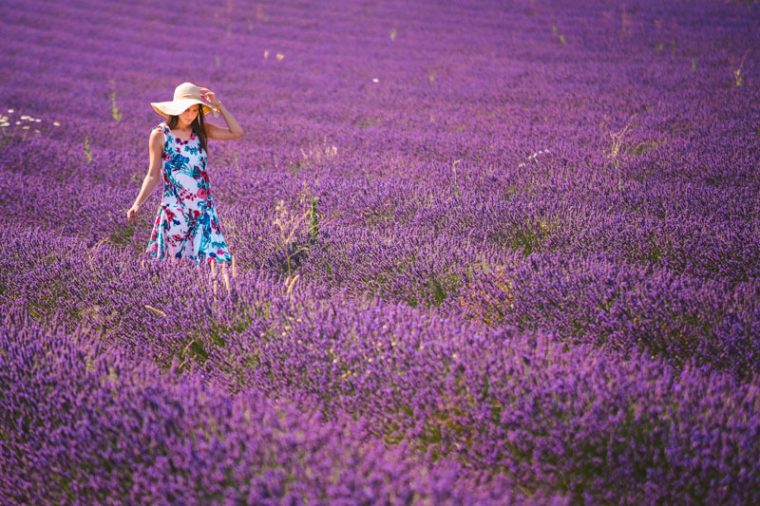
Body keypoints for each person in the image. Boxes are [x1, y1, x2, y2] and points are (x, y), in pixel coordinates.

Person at [126, 82, 244, 268]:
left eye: (195, 110)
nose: (191, 115)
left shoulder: (202, 131)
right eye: (186, 109)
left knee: (215, 265)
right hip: (175, 212)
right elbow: (152, 175)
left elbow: (237, 132)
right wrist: (137, 203)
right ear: (176, 109)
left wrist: (219, 106)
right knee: (174, 267)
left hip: (204, 212)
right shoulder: (160, 135)